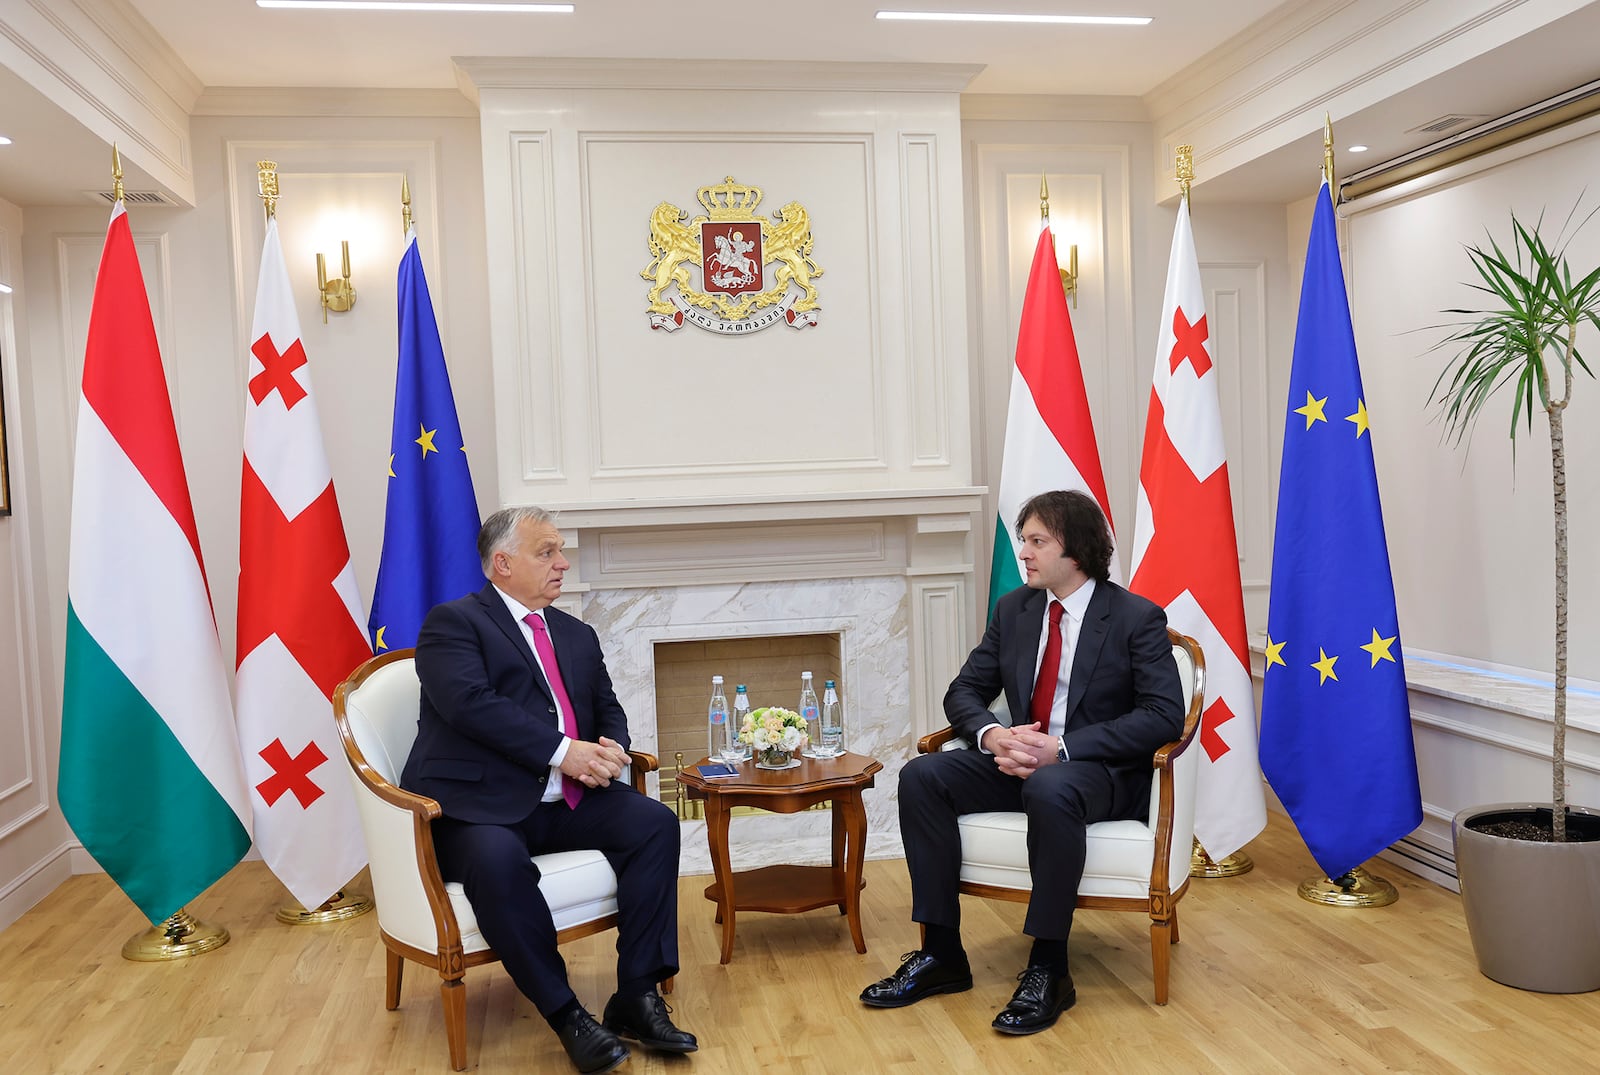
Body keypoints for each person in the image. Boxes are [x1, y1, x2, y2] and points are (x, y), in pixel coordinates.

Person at [861, 490, 1184, 1034]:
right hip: (1019, 762)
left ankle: (1049, 967)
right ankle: (941, 953)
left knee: (1050, 788)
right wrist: (992, 736)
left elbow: (1162, 716)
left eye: (1037, 542)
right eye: (1024, 540)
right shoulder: (1016, 609)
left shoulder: (1135, 618)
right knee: (923, 776)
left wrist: (1062, 749)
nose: (1025, 554)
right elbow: (965, 690)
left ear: (1075, 551)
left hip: (1096, 773)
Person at [403, 506, 695, 1074]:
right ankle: (567, 1015)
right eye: (547, 552)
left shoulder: (574, 632)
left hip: (564, 801)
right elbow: (470, 706)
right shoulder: (454, 624)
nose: (562, 563)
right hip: (476, 809)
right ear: (503, 563)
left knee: (654, 824)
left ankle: (635, 995)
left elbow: (606, 707)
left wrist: (611, 747)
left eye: (562, 551)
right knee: (497, 861)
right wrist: (567, 752)